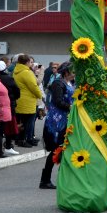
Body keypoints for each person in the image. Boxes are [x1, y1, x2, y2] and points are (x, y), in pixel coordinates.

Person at [41, 61, 74, 189]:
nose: (74, 73)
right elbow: (58, 101)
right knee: (56, 149)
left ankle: (57, 178)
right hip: (56, 121)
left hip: (65, 118)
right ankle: (45, 180)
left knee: (63, 148)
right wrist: (71, 107)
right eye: (72, 71)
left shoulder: (69, 83)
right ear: (66, 72)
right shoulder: (58, 83)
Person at [13, 54, 43, 147]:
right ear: (26, 62)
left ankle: (20, 139)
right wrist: (39, 95)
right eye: (30, 62)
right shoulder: (27, 72)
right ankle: (26, 139)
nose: (32, 64)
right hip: (28, 100)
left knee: (21, 122)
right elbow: (34, 86)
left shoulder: (16, 71)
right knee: (29, 122)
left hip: (20, 99)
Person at [0, 60, 20, 156]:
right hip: (9, 106)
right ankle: (8, 146)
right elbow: (17, 92)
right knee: (9, 127)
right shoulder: (9, 78)